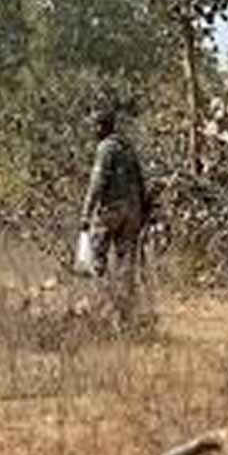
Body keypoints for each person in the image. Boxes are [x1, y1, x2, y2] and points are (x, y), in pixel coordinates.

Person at [80, 106, 148, 330]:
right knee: (125, 264)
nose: (92, 130)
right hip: (133, 212)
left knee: (97, 258)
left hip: (111, 210)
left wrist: (86, 213)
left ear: (102, 126)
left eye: (94, 126)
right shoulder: (127, 147)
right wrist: (143, 211)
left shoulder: (105, 148)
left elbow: (97, 182)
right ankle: (125, 316)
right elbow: (140, 181)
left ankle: (102, 309)